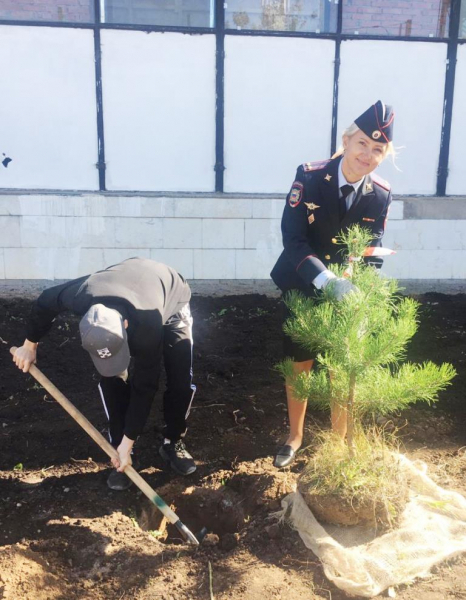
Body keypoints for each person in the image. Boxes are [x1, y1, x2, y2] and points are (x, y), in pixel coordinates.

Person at [270, 100, 395, 468]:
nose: (367, 155)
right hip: (303, 282)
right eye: (362, 144)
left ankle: (338, 442)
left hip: (348, 291)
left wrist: (361, 294)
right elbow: (293, 240)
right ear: (346, 140)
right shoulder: (309, 177)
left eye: (377, 150)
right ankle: (295, 436)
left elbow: (371, 250)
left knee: (342, 365)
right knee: (300, 361)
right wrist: (327, 281)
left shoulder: (381, 194)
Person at [13, 257, 197, 490]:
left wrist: (129, 442)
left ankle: (173, 441)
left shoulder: (147, 325)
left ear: (126, 326)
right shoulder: (80, 296)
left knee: (180, 379)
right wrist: (30, 345)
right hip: (125, 287)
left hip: (171, 299)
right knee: (112, 380)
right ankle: (120, 450)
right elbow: (44, 302)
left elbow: (146, 386)